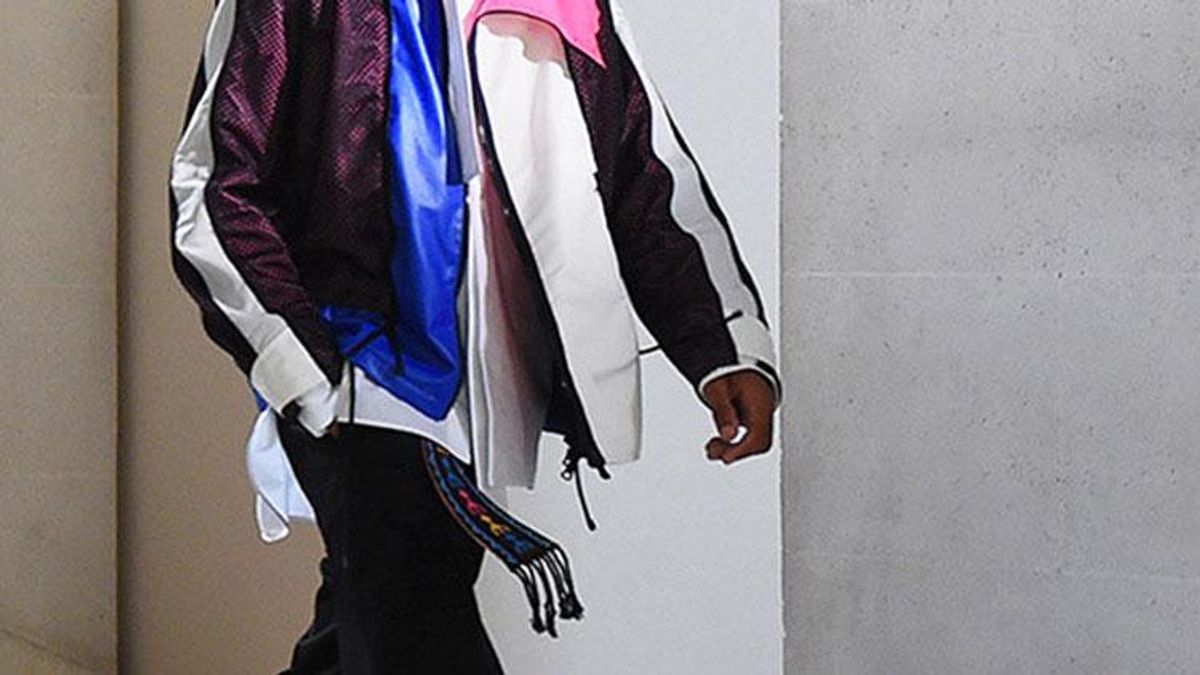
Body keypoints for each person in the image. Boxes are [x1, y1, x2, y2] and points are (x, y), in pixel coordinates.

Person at [168, 0, 781, 671]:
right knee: (417, 624)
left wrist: (725, 348)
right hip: (360, 376)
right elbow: (214, 184)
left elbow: (644, 178)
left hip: (483, 392)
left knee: (366, 632)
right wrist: (301, 367)